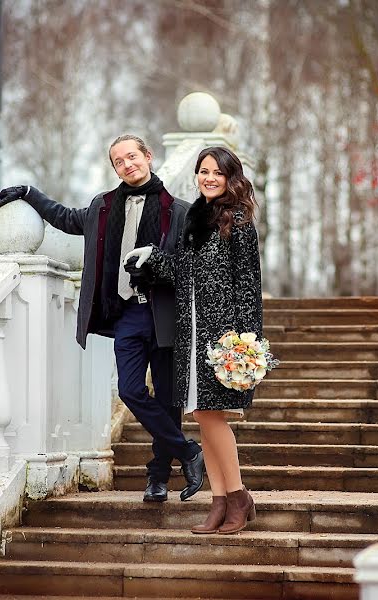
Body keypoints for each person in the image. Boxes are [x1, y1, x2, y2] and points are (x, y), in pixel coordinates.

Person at [0, 134, 205, 503]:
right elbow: (66, 219)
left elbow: (189, 268)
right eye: (119, 161)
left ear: (148, 156)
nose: (127, 164)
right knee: (131, 390)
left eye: (132, 156)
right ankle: (188, 452)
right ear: (115, 168)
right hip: (127, 314)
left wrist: (156, 265)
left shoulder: (180, 210)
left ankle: (158, 477)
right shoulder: (102, 207)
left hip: (165, 315)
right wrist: (28, 192)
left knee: (168, 398)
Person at [126, 146, 262, 535]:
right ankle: (219, 502)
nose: (209, 178)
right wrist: (152, 257)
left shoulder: (238, 221)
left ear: (230, 177)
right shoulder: (192, 220)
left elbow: (249, 285)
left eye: (218, 173)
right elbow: (183, 271)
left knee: (211, 417)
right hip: (191, 332)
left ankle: (238, 497)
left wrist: (246, 342)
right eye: (204, 172)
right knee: (202, 416)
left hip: (223, 336)